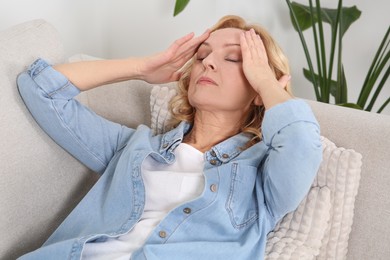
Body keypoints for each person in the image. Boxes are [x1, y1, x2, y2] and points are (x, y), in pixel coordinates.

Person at [17, 15, 322, 260]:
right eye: (202, 56)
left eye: (233, 59)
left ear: (259, 87)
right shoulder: (133, 146)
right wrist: (140, 68)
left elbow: (303, 143)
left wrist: (267, 85)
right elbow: (40, 89)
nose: (209, 63)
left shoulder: (263, 180)